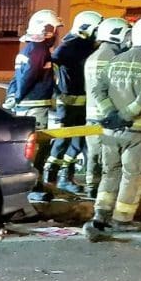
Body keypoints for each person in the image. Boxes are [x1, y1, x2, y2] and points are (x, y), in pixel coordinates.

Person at [83, 16, 141, 241]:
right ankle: (122, 220)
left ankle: (100, 215)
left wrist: (111, 114)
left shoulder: (115, 60)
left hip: (110, 130)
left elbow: (98, 91)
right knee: (132, 175)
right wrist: (125, 115)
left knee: (110, 172)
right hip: (137, 132)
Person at [42, 11, 102, 193]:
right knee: (61, 142)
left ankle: (65, 178)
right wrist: (57, 91)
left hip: (81, 104)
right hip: (67, 105)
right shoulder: (67, 48)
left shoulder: (84, 46)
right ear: (85, 28)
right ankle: (49, 180)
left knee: (77, 143)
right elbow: (53, 67)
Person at [6, 10, 60, 198]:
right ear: (45, 30)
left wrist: (13, 96)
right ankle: (32, 188)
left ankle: (29, 186)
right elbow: (28, 76)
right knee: (36, 148)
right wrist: (18, 96)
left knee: (28, 147)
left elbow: (18, 77)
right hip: (35, 106)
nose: (55, 34)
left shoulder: (28, 49)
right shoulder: (39, 51)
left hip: (27, 105)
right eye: (53, 29)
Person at [82, 17, 132, 199]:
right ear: (116, 34)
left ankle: (90, 188)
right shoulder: (111, 57)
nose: (129, 39)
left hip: (92, 115)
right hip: (108, 116)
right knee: (107, 161)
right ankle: (102, 195)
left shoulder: (93, 56)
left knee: (93, 156)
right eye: (126, 34)